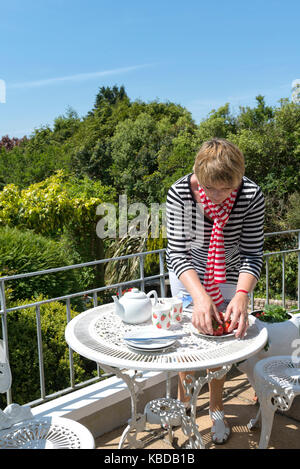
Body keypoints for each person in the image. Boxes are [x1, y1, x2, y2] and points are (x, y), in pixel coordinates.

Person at [166, 138, 265, 444]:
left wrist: (240, 295)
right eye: (212, 189)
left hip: (230, 270)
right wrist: (199, 297)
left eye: (228, 189)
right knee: (187, 345)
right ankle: (185, 406)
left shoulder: (250, 194)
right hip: (188, 273)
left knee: (219, 344)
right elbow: (178, 253)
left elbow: (252, 252)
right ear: (198, 176)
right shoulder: (179, 193)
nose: (220, 196)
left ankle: (217, 408)